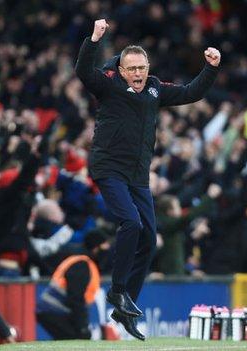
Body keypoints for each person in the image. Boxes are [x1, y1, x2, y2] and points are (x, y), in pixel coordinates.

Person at [75, 19, 220, 340]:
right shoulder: (109, 85)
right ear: (122, 70)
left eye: (143, 67)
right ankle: (117, 290)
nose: (139, 73)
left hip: (138, 176)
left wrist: (210, 69)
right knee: (132, 224)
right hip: (109, 168)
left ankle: (126, 305)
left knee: (150, 238)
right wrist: (95, 39)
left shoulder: (154, 88)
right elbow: (84, 72)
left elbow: (189, 93)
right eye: (133, 69)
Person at [36, 229, 111, 340]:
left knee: (72, 340)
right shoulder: (82, 264)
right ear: (95, 248)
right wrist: (82, 327)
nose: (107, 251)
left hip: (53, 310)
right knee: (76, 339)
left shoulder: (82, 261)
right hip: (54, 310)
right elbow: (76, 297)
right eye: (104, 247)